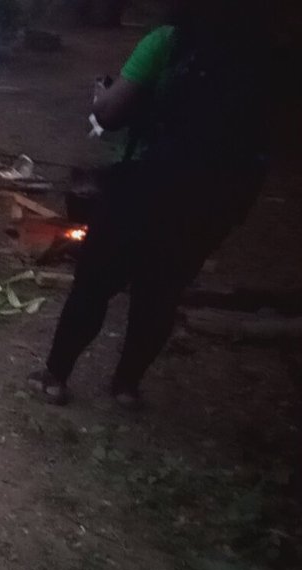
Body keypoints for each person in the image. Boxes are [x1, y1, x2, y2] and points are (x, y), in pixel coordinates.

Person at [29, 0, 270, 409]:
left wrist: (101, 94)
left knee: (96, 281)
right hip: (210, 203)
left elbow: (109, 116)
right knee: (161, 292)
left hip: (148, 185)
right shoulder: (262, 56)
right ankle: (126, 386)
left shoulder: (168, 42)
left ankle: (55, 375)